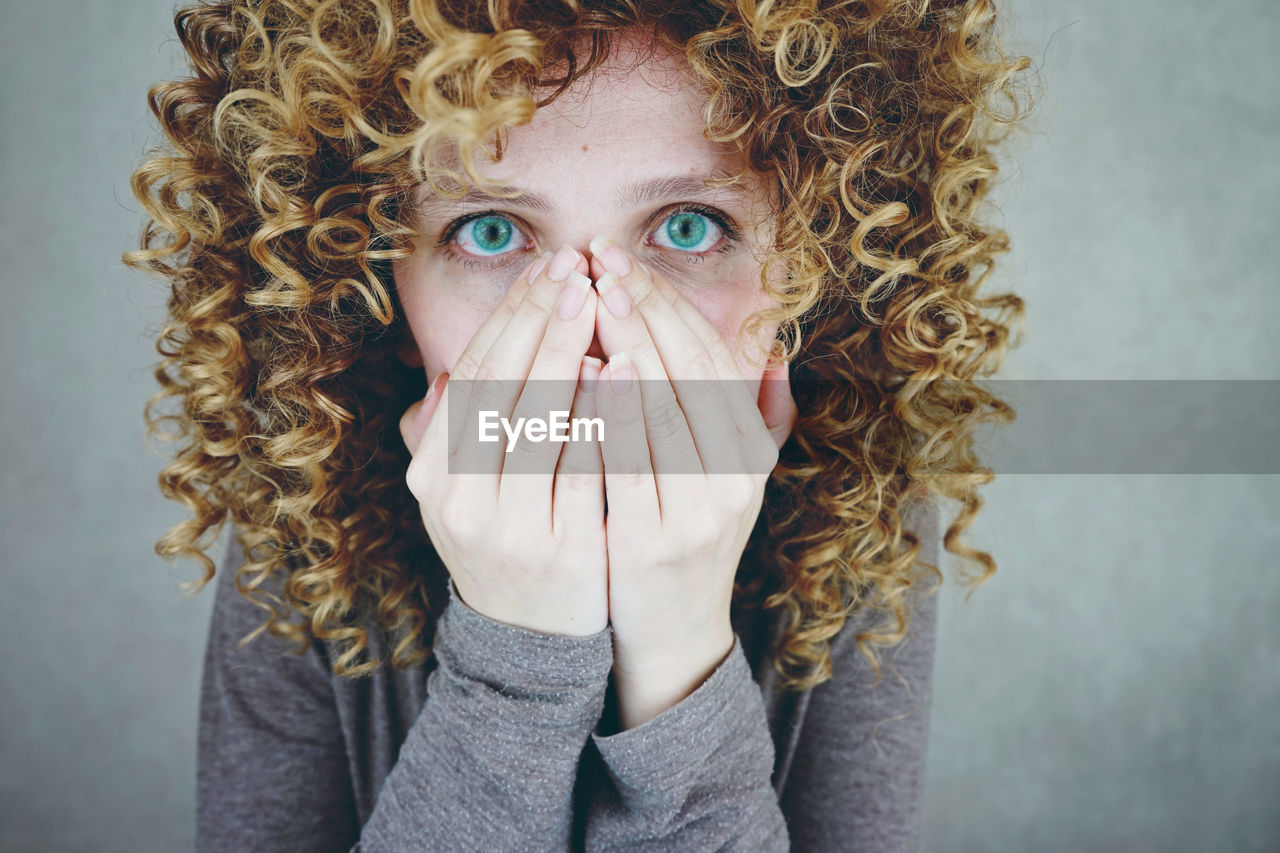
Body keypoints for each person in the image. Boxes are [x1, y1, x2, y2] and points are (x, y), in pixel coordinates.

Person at [124, 0, 1034, 849]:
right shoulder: (304, 527)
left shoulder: (859, 526)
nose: (592, 335)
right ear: (376, 294)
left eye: (687, 228)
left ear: (803, 273)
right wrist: (512, 658)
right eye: (489, 232)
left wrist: (680, 649)